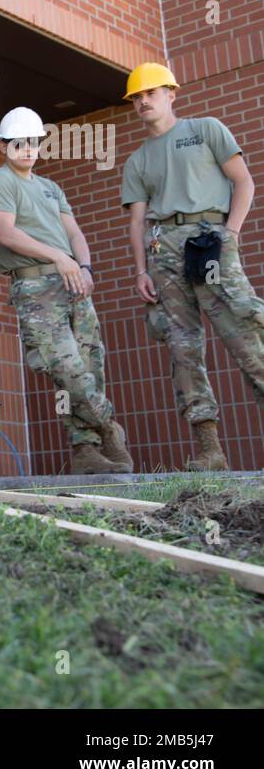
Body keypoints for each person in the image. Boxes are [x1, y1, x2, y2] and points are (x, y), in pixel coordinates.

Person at [121, 62, 262, 471]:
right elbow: (136, 221)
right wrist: (140, 270)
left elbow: (244, 182)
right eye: (136, 97)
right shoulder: (138, 160)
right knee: (183, 347)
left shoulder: (206, 129)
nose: (143, 101)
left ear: (171, 93)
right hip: (165, 249)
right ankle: (209, 450)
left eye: (150, 93)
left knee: (245, 332)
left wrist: (230, 233)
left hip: (211, 238)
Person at [0, 106, 131, 473]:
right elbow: (7, 233)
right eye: (19, 143)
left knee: (89, 364)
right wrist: (58, 258)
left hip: (72, 281)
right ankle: (107, 424)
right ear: (4, 146)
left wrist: (83, 266)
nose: (27, 149)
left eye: (33, 142)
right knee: (63, 367)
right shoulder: (1, 181)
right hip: (35, 284)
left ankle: (85, 450)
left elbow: (75, 233)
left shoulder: (51, 187)